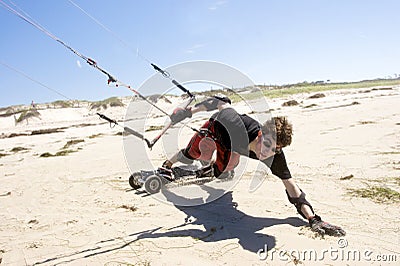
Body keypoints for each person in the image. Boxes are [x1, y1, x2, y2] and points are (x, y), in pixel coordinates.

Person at [162, 95, 346, 237]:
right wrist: (188, 112)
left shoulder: (274, 156)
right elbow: (221, 102)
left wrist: (313, 219)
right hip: (216, 130)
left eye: (274, 149)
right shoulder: (235, 123)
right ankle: (167, 166)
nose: (266, 153)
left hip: (232, 149)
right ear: (260, 134)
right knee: (190, 154)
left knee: (222, 171)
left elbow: (292, 187)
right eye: (266, 145)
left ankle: (211, 169)